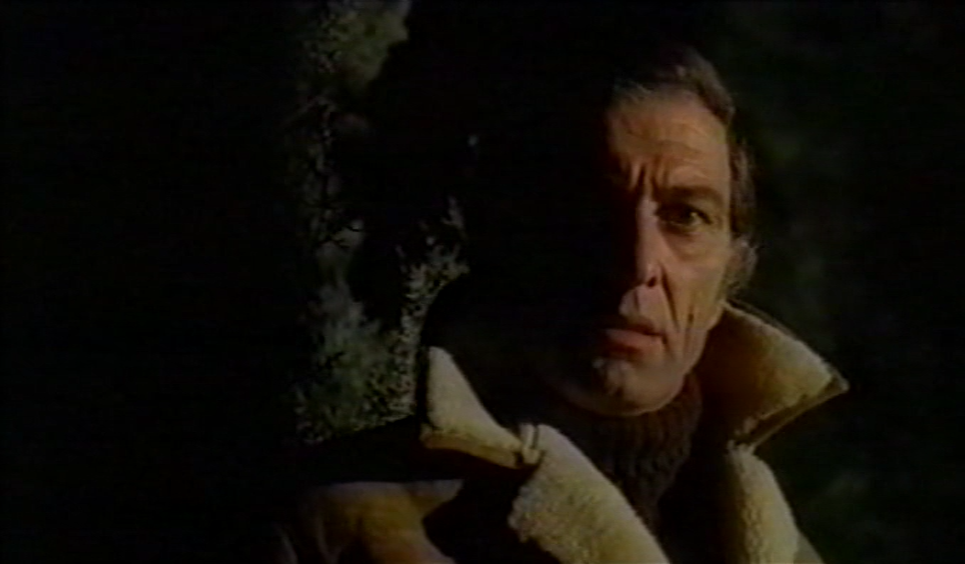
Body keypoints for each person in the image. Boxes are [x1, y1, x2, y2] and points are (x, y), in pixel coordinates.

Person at [273, 35, 848, 564]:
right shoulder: (343, 525)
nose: (638, 264)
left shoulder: (783, 551)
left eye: (685, 216)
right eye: (593, 208)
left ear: (729, 274)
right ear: (510, 233)